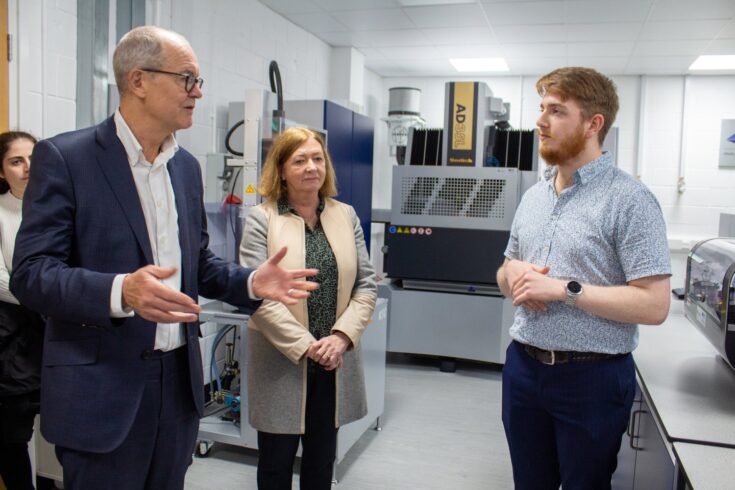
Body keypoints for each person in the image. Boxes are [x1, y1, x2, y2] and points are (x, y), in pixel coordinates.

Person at [9, 26, 318, 490]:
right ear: (138, 81)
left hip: (175, 388)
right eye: (187, 79)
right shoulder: (66, 159)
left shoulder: (185, 169)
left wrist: (252, 282)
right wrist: (119, 290)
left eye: (198, 81)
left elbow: (198, 265)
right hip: (102, 391)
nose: (198, 92)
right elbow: (32, 275)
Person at [496, 67, 671, 490]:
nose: (540, 121)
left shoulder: (630, 200)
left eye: (556, 111)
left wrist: (564, 290)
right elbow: (505, 271)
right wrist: (513, 274)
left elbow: (654, 304)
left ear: (594, 124)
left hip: (591, 379)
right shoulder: (534, 196)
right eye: (541, 109)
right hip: (523, 369)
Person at [239, 127, 377, 490]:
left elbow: (366, 285)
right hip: (283, 360)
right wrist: (307, 346)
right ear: (281, 169)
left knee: (321, 462)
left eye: (317, 158)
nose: (311, 167)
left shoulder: (344, 215)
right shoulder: (262, 218)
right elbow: (257, 296)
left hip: (334, 360)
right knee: (275, 463)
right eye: (299, 160)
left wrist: (341, 337)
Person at [0, 131, 44, 490]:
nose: (28, 168)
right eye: (17, 161)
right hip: (13, 336)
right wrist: (47, 296)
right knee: (12, 434)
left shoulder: (58, 208)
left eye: (34, 158)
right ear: (1, 171)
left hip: (58, 330)